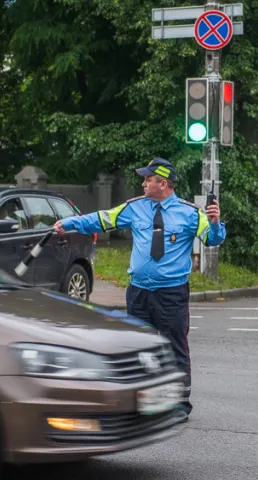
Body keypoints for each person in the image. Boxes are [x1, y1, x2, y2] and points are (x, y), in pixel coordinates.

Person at [53, 157, 226, 420]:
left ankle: (179, 404)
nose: (143, 183)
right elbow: (103, 219)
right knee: (136, 347)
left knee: (174, 346)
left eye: (148, 179)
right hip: (138, 292)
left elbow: (212, 239)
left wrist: (214, 223)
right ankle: (139, 403)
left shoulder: (190, 214)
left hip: (171, 294)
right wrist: (70, 223)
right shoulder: (135, 208)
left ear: (163, 183)